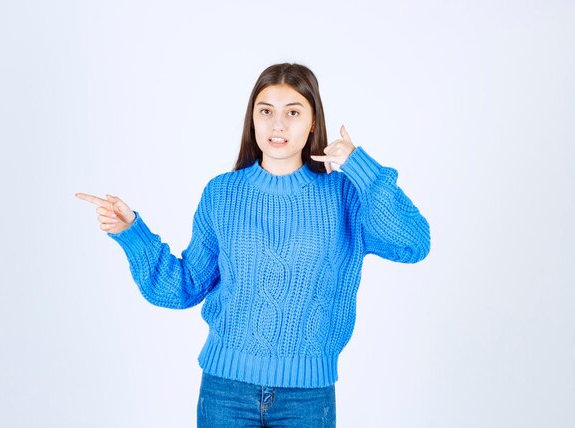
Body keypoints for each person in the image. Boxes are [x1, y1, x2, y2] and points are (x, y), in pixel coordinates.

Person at [76, 62, 430, 427]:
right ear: (253, 121)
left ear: (312, 123)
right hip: (225, 392)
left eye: (293, 112)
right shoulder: (222, 193)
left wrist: (361, 167)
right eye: (266, 112)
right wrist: (132, 231)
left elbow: (413, 244)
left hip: (308, 398)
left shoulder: (345, 195)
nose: (278, 124)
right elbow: (183, 287)